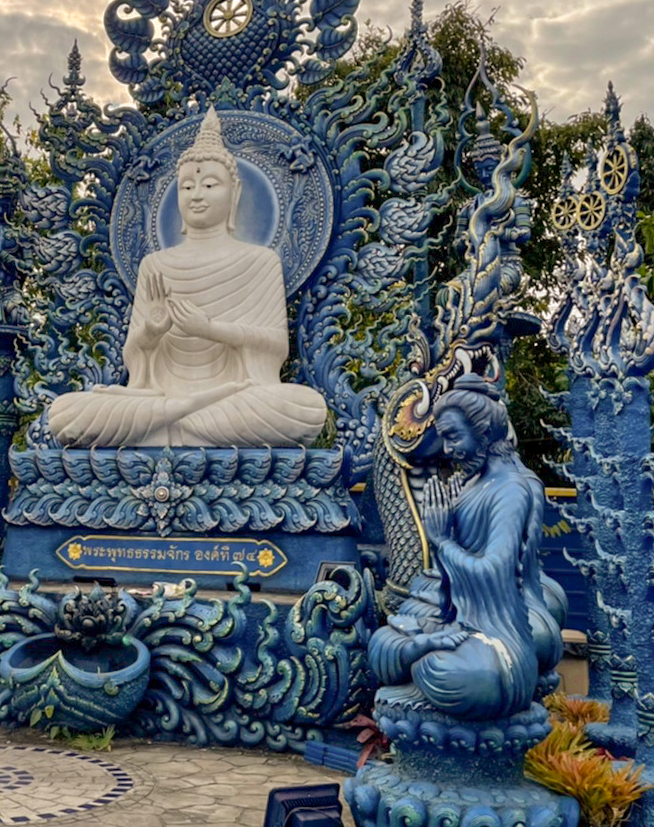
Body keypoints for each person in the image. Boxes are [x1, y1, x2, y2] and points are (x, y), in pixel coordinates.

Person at [47, 107, 326, 448]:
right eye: (187, 186)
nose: (196, 195)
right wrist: (150, 332)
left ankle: (167, 424)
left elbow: (275, 347)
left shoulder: (260, 261)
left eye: (210, 184)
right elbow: (136, 360)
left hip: (234, 398)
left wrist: (211, 330)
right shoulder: (155, 265)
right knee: (65, 413)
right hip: (164, 399)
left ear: (234, 193)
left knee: (305, 408)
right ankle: (181, 419)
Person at [367, 376, 563, 720]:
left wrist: (442, 539)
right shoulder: (473, 481)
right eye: (443, 438)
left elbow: (495, 574)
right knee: (386, 639)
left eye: (453, 436)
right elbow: (446, 575)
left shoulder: (511, 489)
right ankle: (425, 651)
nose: (446, 450)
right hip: (461, 612)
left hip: (498, 626)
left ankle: (431, 666)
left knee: (457, 672)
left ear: (485, 434)